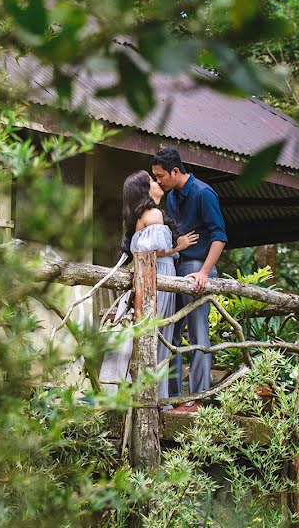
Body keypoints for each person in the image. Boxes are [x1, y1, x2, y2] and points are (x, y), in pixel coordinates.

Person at [98, 170, 198, 401]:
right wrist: (178, 246)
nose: (158, 183)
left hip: (151, 272)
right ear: (145, 190)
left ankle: (138, 391)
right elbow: (151, 251)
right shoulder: (153, 214)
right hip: (157, 273)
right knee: (159, 332)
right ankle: (155, 397)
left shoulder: (139, 216)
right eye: (153, 181)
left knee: (150, 332)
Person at [151, 148, 227, 412]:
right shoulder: (171, 198)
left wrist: (205, 272)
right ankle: (173, 398)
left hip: (197, 267)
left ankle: (199, 399)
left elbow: (219, 237)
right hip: (176, 267)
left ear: (175, 171)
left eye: (161, 176)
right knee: (170, 332)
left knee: (197, 333)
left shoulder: (203, 193)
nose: (158, 181)